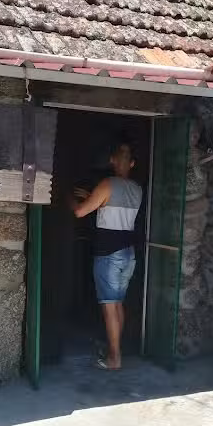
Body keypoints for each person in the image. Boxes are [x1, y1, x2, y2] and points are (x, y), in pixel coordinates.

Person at [71, 139, 142, 370]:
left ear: (113, 160)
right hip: (127, 253)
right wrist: (96, 197)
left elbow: (81, 212)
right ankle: (116, 351)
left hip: (109, 254)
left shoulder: (107, 184)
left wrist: (70, 199)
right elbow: (113, 208)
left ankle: (114, 358)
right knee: (118, 304)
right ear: (131, 163)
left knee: (109, 306)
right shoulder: (136, 189)